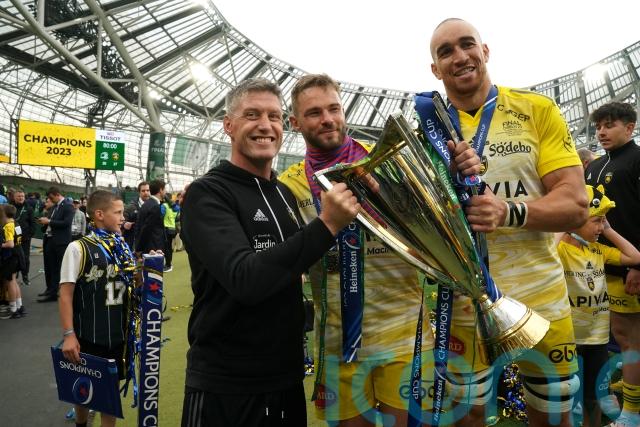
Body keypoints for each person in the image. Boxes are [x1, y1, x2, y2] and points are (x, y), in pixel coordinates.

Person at [279, 73, 479, 426]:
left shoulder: (387, 160)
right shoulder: (289, 185)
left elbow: (439, 217)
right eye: (313, 113)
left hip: (405, 338)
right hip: (338, 345)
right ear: (295, 123)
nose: (327, 119)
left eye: (333, 109)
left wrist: (455, 174)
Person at [429, 18, 589, 427]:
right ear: (435, 69)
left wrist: (508, 212)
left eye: (467, 44)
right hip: (465, 304)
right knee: (468, 418)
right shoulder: (427, 132)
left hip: (542, 298)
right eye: (445, 51)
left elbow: (576, 205)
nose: (459, 56)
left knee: (552, 417)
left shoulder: (536, 110)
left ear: (485, 51)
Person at [180, 77, 359, 427]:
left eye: (274, 117)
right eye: (252, 115)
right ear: (229, 125)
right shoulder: (208, 193)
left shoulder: (283, 194)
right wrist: (327, 225)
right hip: (227, 385)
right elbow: (246, 279)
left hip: (286, 379)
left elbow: (290, 268)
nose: (265, 125)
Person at [557, 185, 640, 426]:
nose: (601, 228)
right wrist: (566, 222)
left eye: (603, 221)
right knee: (566, 403)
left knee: (594, 400)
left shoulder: (598, 250)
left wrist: (609, 230)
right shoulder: (561, 250)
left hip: (597, 340)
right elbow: (548, 252)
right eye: (597, 221)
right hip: (570, 341)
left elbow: (635, 257)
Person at [58, 190, 136, 427]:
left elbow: (131, 286)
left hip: (118, 336)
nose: (123, 217)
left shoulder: (121, 246)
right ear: (100, 214)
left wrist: (149, 269)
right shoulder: (78, 248)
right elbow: (65, 294)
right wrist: (69, 335)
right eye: (118, 212)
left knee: (109, 399)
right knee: (82, 390)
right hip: (88, 336)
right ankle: (81, 423)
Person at [584, 101, 640, 427]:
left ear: (630, 128)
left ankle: (631, 414)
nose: (602, 132)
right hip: (602, 266)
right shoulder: (594, 167)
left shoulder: (636, 159)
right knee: (619, 335)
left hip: (631, 267)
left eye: (610, 125)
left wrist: (638, 267)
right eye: (599, 127)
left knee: (631, 339)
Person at [38, 187, 74, 302]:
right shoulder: (54, 207)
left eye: (51, 197)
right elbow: (51, 220)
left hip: (61, 242)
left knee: (58, 268)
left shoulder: (68, 206)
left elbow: (66, 223)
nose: (50, 200)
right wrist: (45, 221)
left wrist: (49, 221)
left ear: (57, 194)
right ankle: (50, 289)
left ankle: (54, 293)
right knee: (49, 266)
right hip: (50, 240)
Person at [0, 204, 25, 319]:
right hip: (19, 254)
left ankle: (13, 310)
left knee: (10, 282)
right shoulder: (16, 223)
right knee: (14, 281)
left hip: (12, 256)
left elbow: (10, 244)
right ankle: (19, 307)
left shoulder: (8, 226)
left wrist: (1, 245)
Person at [135, 180, 166, 265]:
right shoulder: (154, 206)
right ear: (160, 190)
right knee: (153, 272)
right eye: (164, 189)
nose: (165, 192)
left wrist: (139, 247)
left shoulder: (147, 204)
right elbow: (146, 228)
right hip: (153, 249)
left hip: (148, 247)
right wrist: (139, 249)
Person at [12, 189, 35, 286]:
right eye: (18, 196)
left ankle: (25, 275)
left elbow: (33, 223)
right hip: (12, 238)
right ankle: (14, 274)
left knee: (25, 258)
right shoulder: (10, 207)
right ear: (14, 197)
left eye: (22, 196)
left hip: (25, 238)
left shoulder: (29, 208)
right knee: (13, 257)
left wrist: (29, 235)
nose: (21, 198)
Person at [122, 182, 150, 250]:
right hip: (134, 243)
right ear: (139, 192)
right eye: (143, 191)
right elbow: (121, 220)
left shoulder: (154, 205)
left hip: (148, 242)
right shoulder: (131, 207)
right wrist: (124, 224)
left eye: (147, 190)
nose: (146, 193)